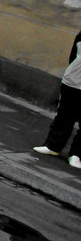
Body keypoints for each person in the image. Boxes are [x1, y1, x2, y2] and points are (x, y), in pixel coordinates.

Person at [33, 30, 81, 169]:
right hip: (72, 83)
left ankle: (77, 155)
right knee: (64, 116)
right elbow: (73, 57)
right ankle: (52, 146)